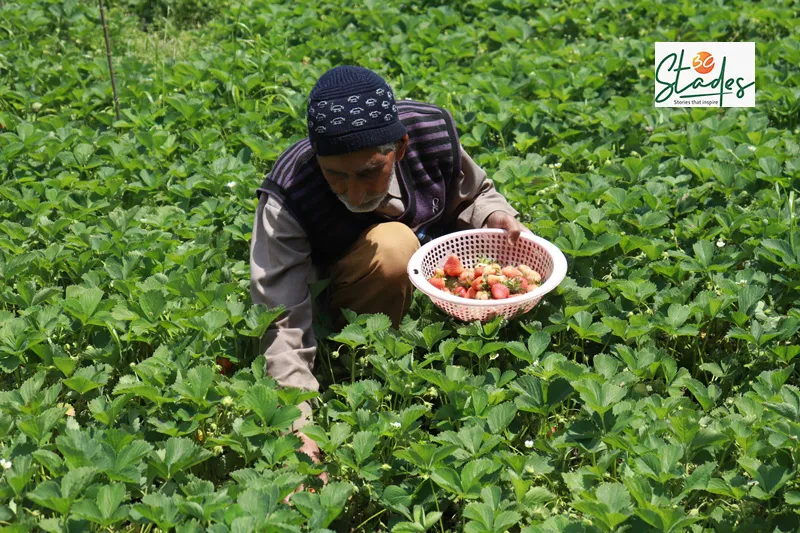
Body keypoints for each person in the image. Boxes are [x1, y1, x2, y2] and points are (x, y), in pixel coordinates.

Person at [249, 65, 530, 466]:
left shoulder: (432, 133)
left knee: (410, 247)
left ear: (399, 147)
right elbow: (281, 320)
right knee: (395, 245)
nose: (355, 192)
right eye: (336, 176)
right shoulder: (288, 193)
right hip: (336, 300)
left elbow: (471, 195)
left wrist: (492, 216)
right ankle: (369, 360)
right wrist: (297, 431)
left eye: (368, 172)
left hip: (432, 275)